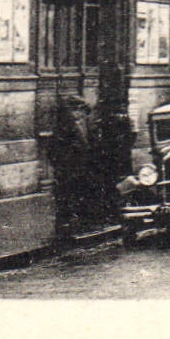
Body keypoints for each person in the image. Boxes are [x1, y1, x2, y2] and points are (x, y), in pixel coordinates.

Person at [45, 99, 94, 240]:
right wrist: (62, 166)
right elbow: (52, 151)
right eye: (79, 110)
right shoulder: (64, 129)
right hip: (68, 171)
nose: (81, 114)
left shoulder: (84, 127)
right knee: (65, 199)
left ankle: (78, 225)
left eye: (82, 111)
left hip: (81, 170)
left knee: (79, 196)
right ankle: (63, 230)